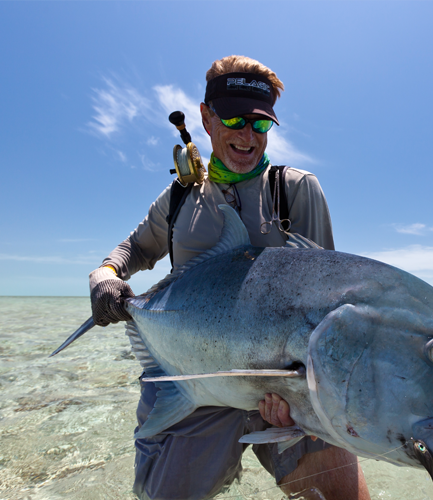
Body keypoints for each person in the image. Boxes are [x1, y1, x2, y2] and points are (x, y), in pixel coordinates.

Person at [88, 55, 370, 500]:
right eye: (235, 119)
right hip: (191, 381)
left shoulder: (295, 190)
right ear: (205, 117)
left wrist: (302, 399)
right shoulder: (178, 200)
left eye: (261, 125)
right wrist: (103, 276)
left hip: (282, 393)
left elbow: (325, 309)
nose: (247, 135)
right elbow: (133, 251)